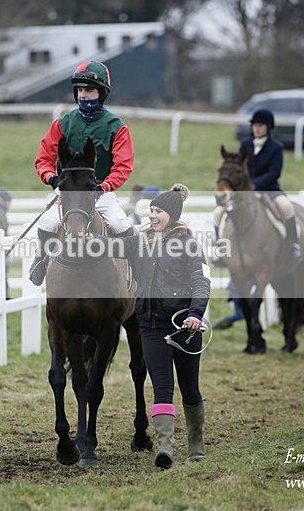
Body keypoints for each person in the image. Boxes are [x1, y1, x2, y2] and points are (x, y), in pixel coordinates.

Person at [112, 184, 211, 469]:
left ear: (172, 214)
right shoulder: (138, 241)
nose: (152, 216)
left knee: (190, 388)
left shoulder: (189, 243)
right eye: (151, 210)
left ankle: (196, 445)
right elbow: (109, 245)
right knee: (161, 387)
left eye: (158, 211)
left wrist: (196, 313)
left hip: (185, 327)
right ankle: (165, 447)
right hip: (151, 326)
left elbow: (202, 281)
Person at [29, 60, 136, 286]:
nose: (83, 95)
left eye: (89, 90)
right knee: (47, 223)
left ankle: (138, 274)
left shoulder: (116, 126)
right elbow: (43, 159)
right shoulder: (63, 123)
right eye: (80, 90)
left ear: (101, 93)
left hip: (100, 192)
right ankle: (41, 260)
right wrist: (52, 177)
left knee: (120, 224)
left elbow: (123, 166)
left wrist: (104, 187)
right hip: (68, 193)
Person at [240, 108, 301, 259]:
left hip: (270, 190)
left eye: (261, 126)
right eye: (255, 125)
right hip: (246, 192)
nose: (257, 129)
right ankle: (221, 249)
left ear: (268, 127)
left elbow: (274, 173)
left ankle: (293, 245)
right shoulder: (245, 144)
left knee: (287, 208)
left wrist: (254, 185)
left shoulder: (276, 147)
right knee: (220, 212)